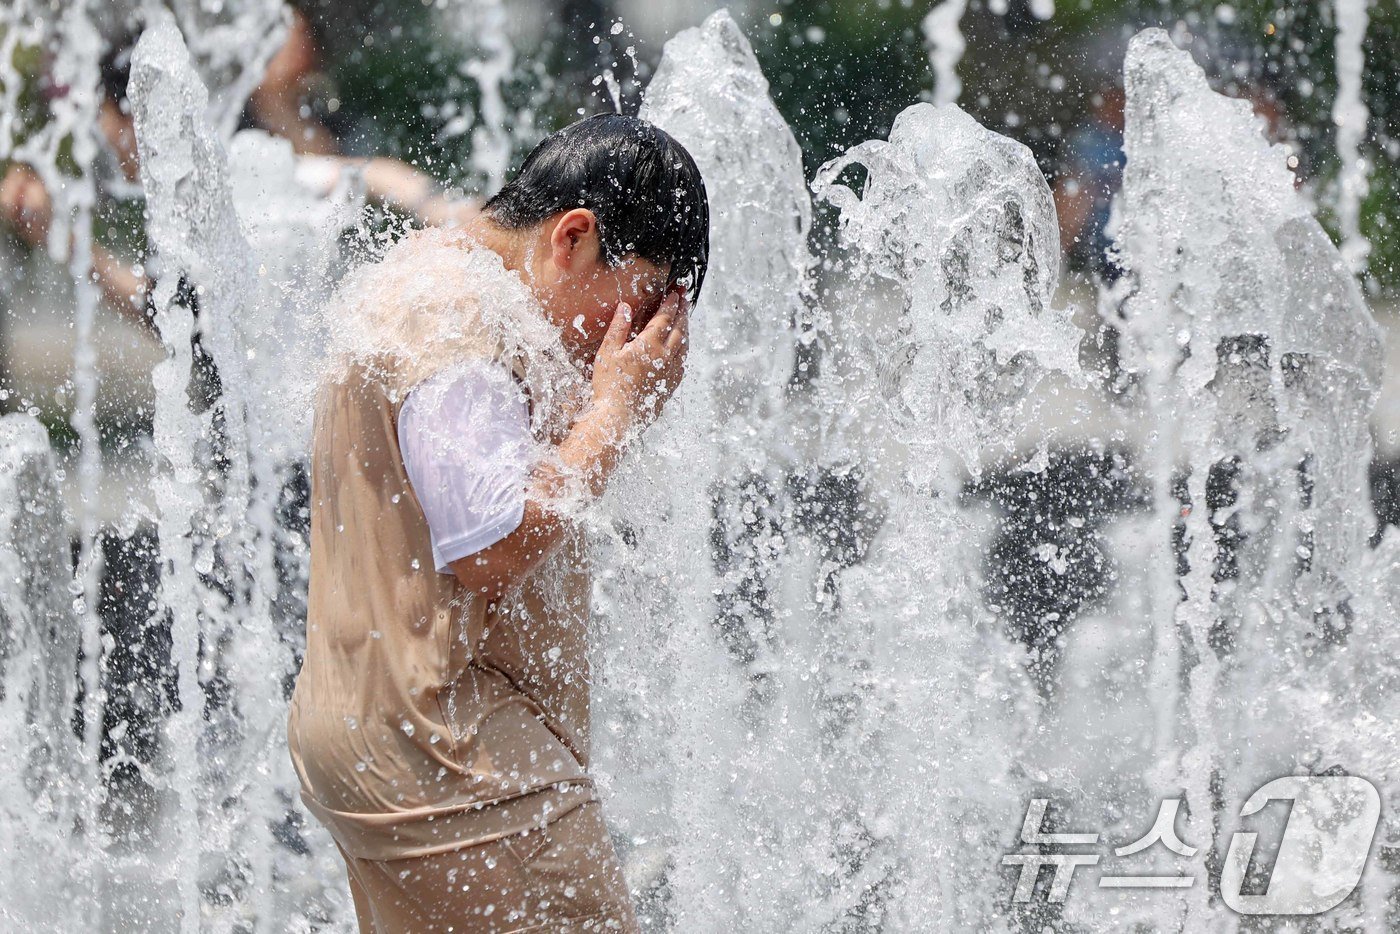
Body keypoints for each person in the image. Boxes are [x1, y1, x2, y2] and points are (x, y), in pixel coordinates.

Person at [287, 112, 708, 932]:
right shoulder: (454, 320)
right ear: (574, 238)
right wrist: (615, 409)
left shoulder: (449, 286)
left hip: (397, 740)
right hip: (449, 749)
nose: (637, 336)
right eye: (641, 299)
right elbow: (494, 542)